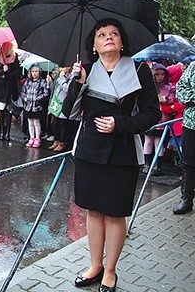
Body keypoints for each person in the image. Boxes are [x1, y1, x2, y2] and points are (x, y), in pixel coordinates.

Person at [63, 18, 160, 292]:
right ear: (93, 45)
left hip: (123, 152)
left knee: (116, 214)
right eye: (102, 34)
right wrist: (77, 83)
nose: (108, 37)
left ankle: (110, 270)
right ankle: (94, 265)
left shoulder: (139, 70)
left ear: (122, 41)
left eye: (114, 33)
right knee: (93, 211)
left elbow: (152, 112)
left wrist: (121, 124)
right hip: (89, 151)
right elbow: (67, 112)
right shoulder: (86, 71)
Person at [142, 62, 175, 176]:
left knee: (158, 142)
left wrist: (164, 99)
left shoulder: (169, 87)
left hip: (163, 119)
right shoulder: (149, 85)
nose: (160, 77)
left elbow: (172, 98)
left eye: (162, 74)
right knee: (148, 141)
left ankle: (157, 165)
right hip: (150, 118)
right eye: (157, 74)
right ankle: (147, 164)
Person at [173, 60, 195, 214]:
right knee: (188, 162)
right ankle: (186, 199)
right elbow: (180, 90)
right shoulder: (193, 66)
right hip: (191, 123)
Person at [0, 41, 21, 141]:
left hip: (10, 88)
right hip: (0, 88)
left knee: (9, 111)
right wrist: (2, 71)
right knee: (1, 111)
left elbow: (17, 71)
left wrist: (8, 73)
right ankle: (1, 131)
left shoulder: (14, 56)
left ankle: (7, 133)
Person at [20, 64, 50, 148]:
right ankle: (31, 137)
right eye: (33, 71)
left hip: (37, 106)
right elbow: (23, 91)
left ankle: (37, 138)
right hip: (28, 105)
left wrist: (38, 98)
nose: (34, 73)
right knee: (30, 122)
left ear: (39, 72)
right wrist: (25, 98)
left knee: (36, 122)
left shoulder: (42, 82)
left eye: (36, 71)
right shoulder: (28, 81)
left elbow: (46, 93)